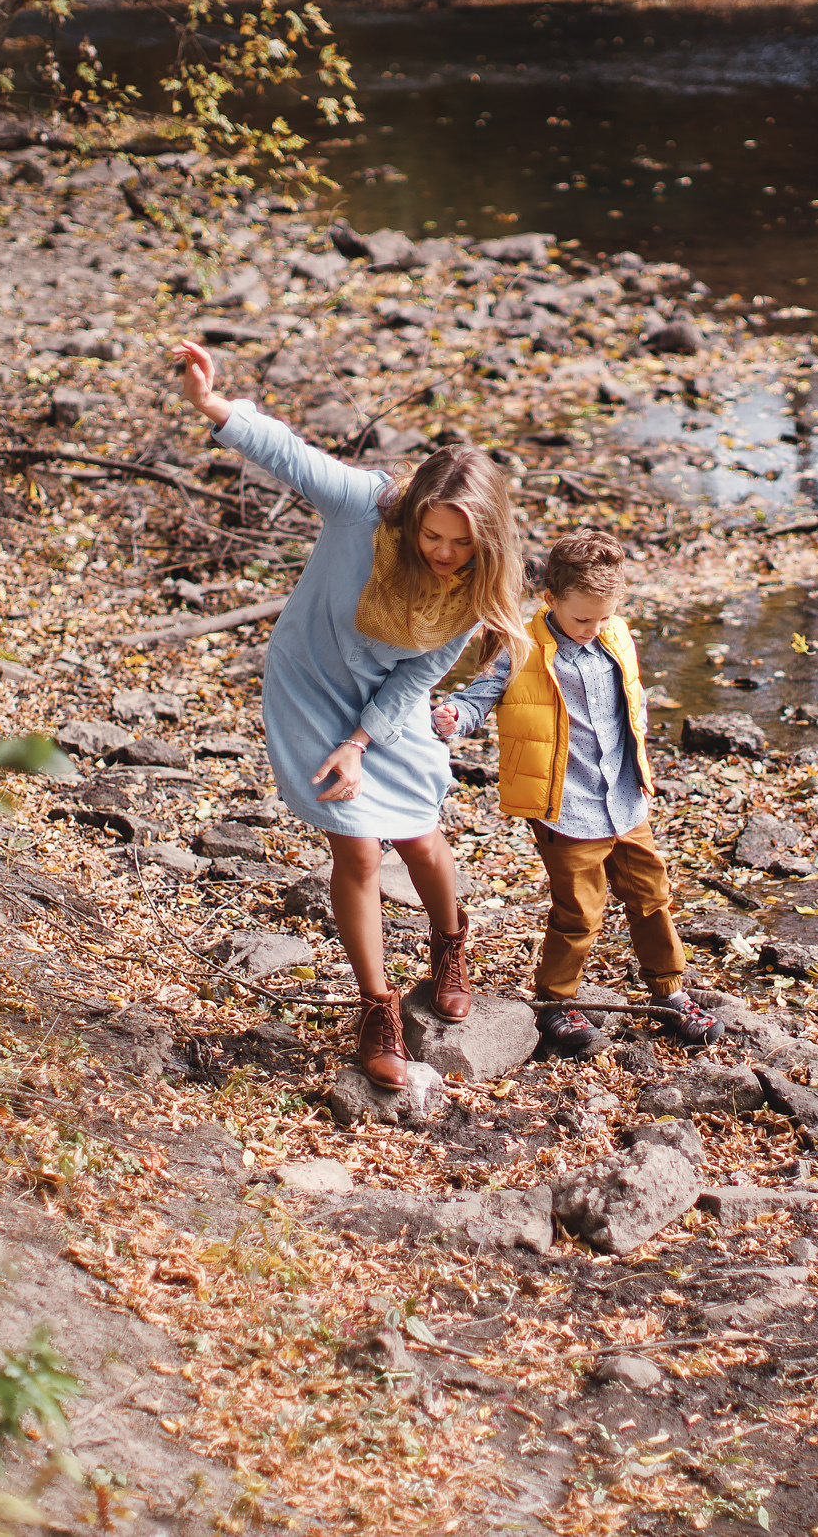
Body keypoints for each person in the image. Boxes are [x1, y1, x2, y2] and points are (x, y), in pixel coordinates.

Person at [171, 341, 527, 1088]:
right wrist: (215, 407)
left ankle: (450, 941)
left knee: (422, 839)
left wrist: (363, 740)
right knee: (359, 850)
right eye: (432, 535)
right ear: (412, 511)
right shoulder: (361, 503)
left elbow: (417, 677)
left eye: (462, 544)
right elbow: (290, 453)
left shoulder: (473, 585)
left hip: (383, 707)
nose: (443, 552)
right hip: (310, 683)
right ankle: (378, 1008)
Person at [433, 529, 719, 1057]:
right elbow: (480, 697)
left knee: (653, 898)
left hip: (626, 800)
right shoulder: (519, 647)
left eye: (602, 617)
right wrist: (456, 716)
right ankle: (556, 1002)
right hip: (564, 806)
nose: (592, 629)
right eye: (581, 619)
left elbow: (628, 710)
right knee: (579, 912)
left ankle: (670, 991)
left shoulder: (616, 636)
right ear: (550, 600)